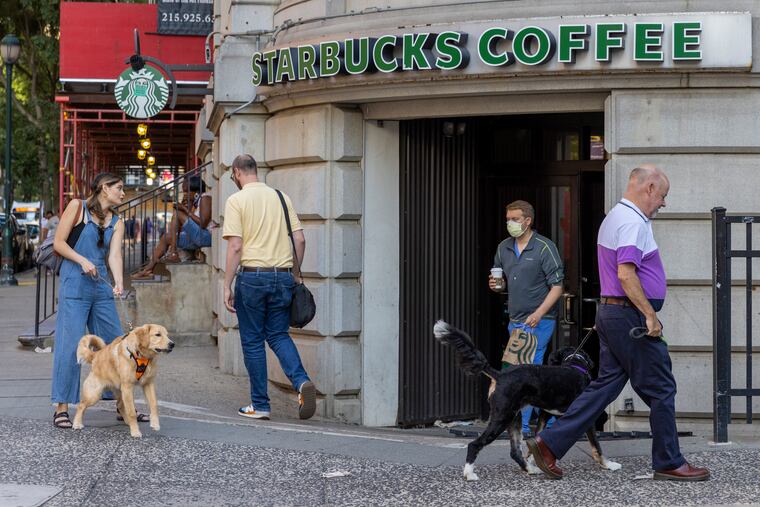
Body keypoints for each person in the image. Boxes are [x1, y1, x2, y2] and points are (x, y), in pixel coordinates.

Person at [527, 165, 710, 482]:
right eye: (663, 195)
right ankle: (669, 461)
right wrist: (650, 315)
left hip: (614, 313)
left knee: (604, 386)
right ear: (649, 188)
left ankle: (548, 444)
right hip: (629, 316)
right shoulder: (631, 221)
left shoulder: (615, 216)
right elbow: (626, 274)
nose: (663, 203)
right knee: (662, 388)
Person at [222, 154, 316, 420]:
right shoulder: (281, 197)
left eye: (233, 177)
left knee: (252, 341)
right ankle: (301, 382)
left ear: (238, 172)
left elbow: (236, 246)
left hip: (252, 278)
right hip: (283, 276)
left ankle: (260, 405)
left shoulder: (236, 201)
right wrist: (296, 275)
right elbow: (300, 239)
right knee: (277, 335)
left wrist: (227, 285)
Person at [51, 173, 130, 429]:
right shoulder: (77, 207)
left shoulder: (117, 221)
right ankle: (62, 407)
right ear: (104, 189)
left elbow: (115, 256)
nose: (122, 193)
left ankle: (123, 406)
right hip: (75, 282)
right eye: (119, 188)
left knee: (117, 343)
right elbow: (58, 244)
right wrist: (82, 260)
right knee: (70, 345)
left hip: (101, 287)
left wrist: (118, 281)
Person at [489, 200, 564, 436]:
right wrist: (495, 286)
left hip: (540, 320)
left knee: (527, 371)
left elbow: (558, 286)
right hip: (516, 321)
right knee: (520, 370)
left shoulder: (544, 247)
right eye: (508, 219)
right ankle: (537, 422)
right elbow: (501, 282)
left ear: (528, 221)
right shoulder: (504, 247)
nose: (510, 223)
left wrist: (539, 313)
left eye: (515, 219)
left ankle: (529, 426)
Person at [132, 175, 212, 279]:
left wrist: (184, 209)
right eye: (184, 191)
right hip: (197, 237)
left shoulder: (205, 198)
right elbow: (183, 227)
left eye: (187, 191)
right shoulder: (196, 203)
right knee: (166, 237)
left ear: (196, 191)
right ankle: (148, 269)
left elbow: (203, 223)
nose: (185, 194)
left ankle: (173, 253)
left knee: (178, 213)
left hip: (205, 237)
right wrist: (188, 206)